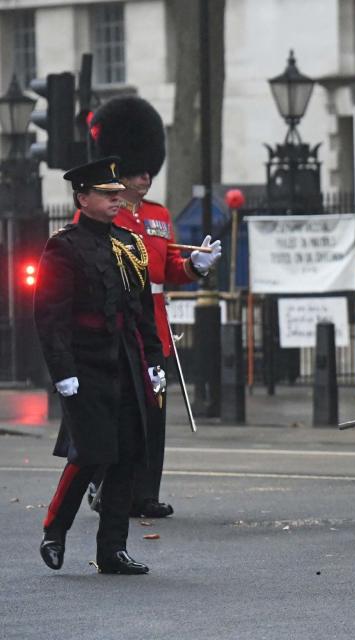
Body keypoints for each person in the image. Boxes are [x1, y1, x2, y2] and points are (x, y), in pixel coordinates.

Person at [78, 96, 223, 518]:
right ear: (118, 174)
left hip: (154, 330)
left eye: (147, 171)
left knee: (155, 417)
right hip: (117, 329)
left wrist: (194, 267)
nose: (145, 178)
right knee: (122, 417)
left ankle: (145, 494)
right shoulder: (105, 214)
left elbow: (165, 270)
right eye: (138, 172)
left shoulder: (158, 215)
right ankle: (106, 485)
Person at [36, 157, 166, 574]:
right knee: (91, 453)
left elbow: (141, 311)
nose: (117, 199)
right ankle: (55, 531)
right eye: (107, 195)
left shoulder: (130, 244)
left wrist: (153, 361)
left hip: (126, 361)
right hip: (86, 365)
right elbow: (51, 315)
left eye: (117, 193)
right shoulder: (64, 245)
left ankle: (112, 548)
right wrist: (63, 372)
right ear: (83, 198)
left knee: (128, 454)